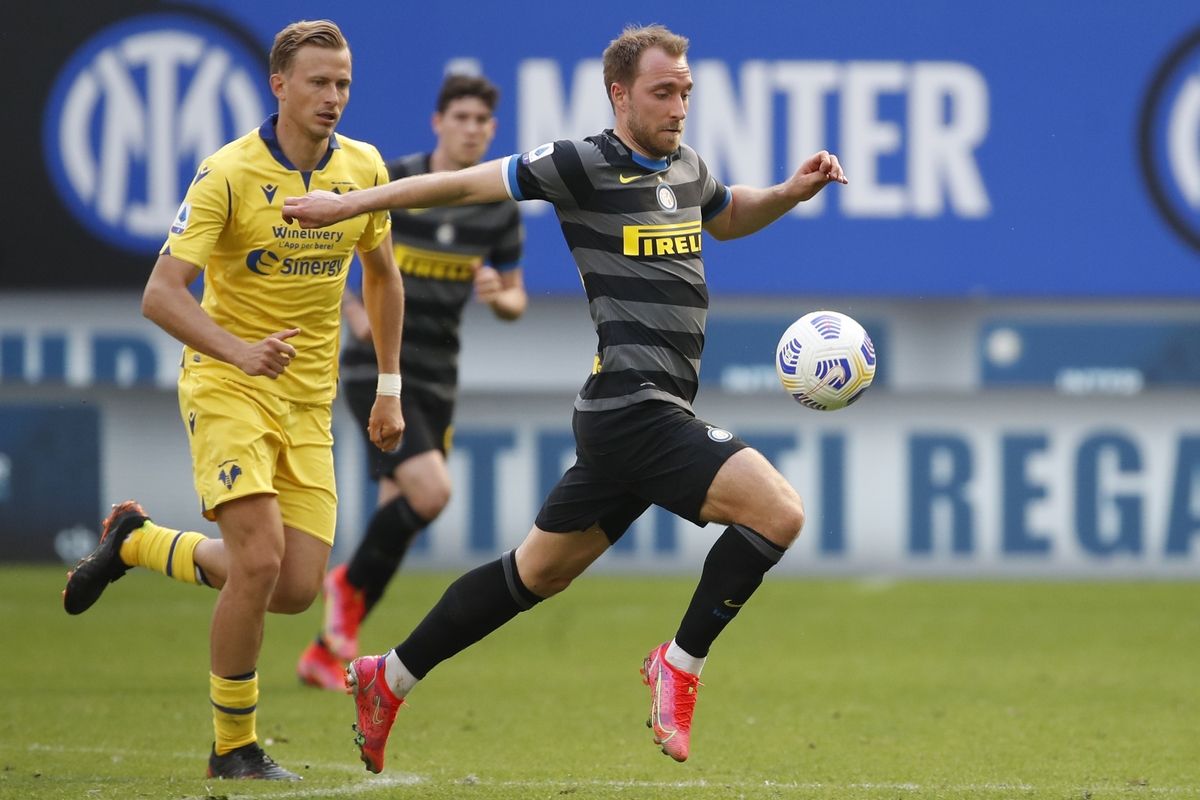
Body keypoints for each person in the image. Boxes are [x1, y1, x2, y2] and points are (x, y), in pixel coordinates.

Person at [282, 23, 847, 773]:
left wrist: (787, 193)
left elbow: (728, 213)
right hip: (633, 407)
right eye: (662, 92)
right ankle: (678, 665)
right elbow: (463, 183)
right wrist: (352, 204)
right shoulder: (582, 164)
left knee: (534, 574)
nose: (679, 106)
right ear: (621, 94)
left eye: (685, 92)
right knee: (779, 512)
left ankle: (387, 677)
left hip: (640, 415)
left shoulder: (686, 167)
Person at [61, 19, 405, 781]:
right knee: (258, 561)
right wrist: (240, 352)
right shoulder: (227, 172)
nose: (333, 96)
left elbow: (382, 275)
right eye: (318, 82)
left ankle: (137, 543)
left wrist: (388, 387)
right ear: (279, 84)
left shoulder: (364, 167)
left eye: (343, 83)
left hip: (308, 402)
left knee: (294, 587)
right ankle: (233, 746)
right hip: (228, 387)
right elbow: (161, 294)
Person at [297, 73, 528, 691]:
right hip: (375, 367)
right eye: (461, 118)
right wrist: (352, 310)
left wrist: (499, 296)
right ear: (437, 122)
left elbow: (516, 298)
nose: (471, 129)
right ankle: (343, 587)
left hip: (438, 375)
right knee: (431, 493)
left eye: (482, 121)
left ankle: (326, 651)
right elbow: (329, 256)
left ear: (492, 130)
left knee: (395, 514)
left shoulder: (497, 205)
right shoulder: (393, 181)